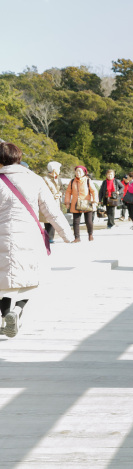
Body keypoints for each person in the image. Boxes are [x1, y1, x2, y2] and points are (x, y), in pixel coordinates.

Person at [0, 142, 74, 338]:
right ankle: (17, 311)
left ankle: (6, 313)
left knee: (4, 280)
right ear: (18, 157)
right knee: (31, 279)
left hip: (2, 233)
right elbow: (52, 211)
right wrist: (68, 234)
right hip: (29, 236)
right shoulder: (35, 180)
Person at [64, 165, 98, 242]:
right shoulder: (72, 181)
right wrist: (67, 202)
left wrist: (95, 201)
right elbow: (68, 192)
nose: (77, 173)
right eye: (76, 171)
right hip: (75, 203)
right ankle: (77, 237)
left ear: (84, 173)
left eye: (80, 171)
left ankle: (90, 234)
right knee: (75, 222)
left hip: (87, 203)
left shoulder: (88, 180)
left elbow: (94, 191)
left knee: (88, 221)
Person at [41, 161, 65, 242]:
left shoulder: (58, 179)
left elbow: (62, 189)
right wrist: (53, 196)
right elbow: (43, 191)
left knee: (54, 220)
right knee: (48, 220)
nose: (59, 170)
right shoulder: (45, 179)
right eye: (58, 169)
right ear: (54, 169)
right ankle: (48, 238)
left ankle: (50, 238)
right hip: (48, 202)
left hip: (57, 202)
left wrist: (60, 194)